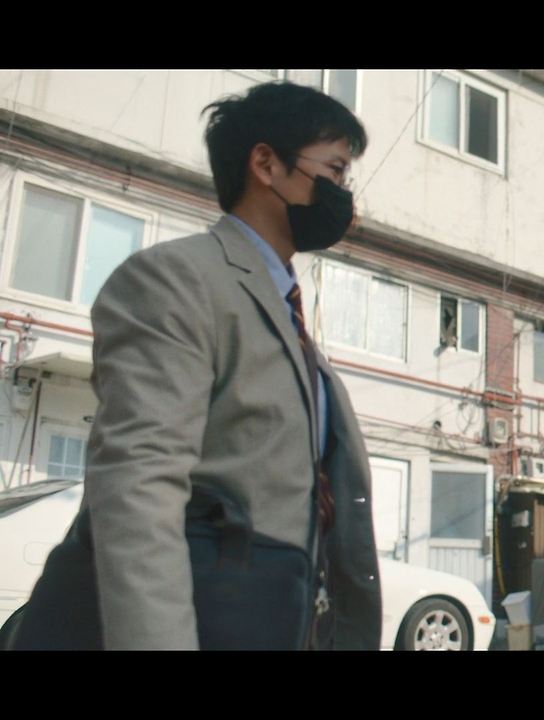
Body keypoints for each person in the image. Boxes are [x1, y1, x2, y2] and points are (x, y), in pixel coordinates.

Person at [37, 81, 380, 650]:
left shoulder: (289, 322)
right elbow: (140, 484)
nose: (344, 194)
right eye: (336, 170)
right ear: (266, 164)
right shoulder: (178, 279)